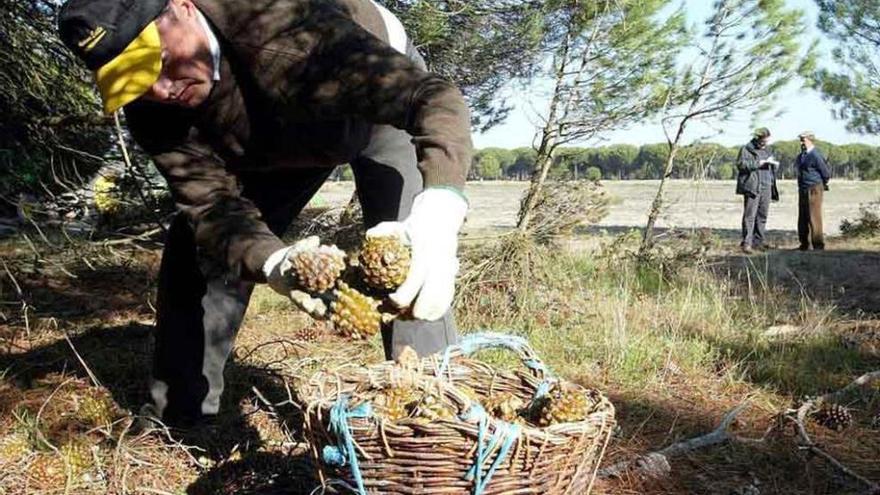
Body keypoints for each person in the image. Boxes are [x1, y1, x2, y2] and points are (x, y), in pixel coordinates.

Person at [58, 0, 473, 426]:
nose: (161, 90)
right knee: (197, 249)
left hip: (373, 108)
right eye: (135, 80)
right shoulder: (151, 107)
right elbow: (210, 205)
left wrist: (440, 206)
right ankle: (182, 415)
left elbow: (432, 99)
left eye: (160, 62)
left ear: (182, 8)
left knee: (410, 267)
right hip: (275, 132)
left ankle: (439, 421)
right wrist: (274, 262)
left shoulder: (285, 29)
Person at [736, 127, 779, 254]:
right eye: (763, 141)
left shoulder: (768, 150)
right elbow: (741, 165)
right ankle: (747, 243)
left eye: (767, 141)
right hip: (753, 187)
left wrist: (774, 165)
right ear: (757, 138)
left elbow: (772, 168)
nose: (765, 143)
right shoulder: (746, 149)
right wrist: (758, 163)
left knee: (762, 215)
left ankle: (759, 242)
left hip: (767, 186)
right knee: (750, 216)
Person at [796, 131, 831, 251]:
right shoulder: (801, 155)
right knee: (803, 216)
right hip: (803, 188)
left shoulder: (816, 155)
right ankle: (804, 244)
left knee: (814, 217)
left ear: (810, 140)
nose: (801, 142)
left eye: (803, 139)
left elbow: (825, 173)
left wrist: (821, 185)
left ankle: (818, 245)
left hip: (814, 188)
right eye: (800, 139)